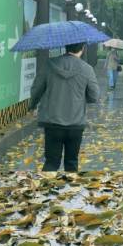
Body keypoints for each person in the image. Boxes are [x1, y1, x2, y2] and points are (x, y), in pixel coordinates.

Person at [29, 42, 100, 172]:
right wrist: (83, 97)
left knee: (51, 162)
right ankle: (70, 190)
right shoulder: (87, 69)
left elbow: (36, 89)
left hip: (52, 122)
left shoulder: (49, 65)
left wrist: (32, 105)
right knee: (72, 162)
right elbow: (94, 95)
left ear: (65, 46)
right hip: (76, 123)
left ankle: (46, 190)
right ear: (82, 49)